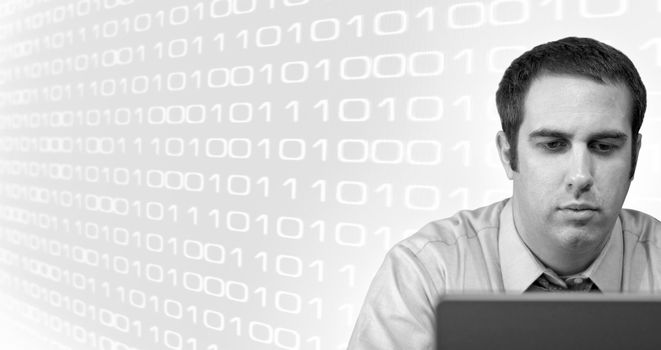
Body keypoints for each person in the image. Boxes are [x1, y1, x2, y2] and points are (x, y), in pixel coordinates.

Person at [347, 36, 661, 350]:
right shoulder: (426, 272)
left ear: (634, 156)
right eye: (553, 145)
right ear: (507, 154)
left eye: (604, 147)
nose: (580, 176)